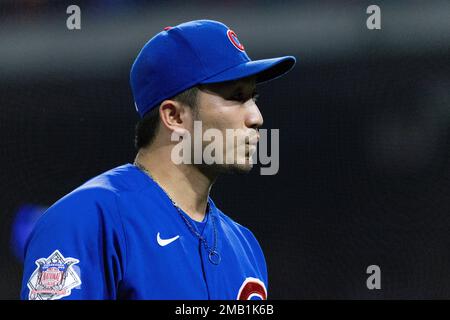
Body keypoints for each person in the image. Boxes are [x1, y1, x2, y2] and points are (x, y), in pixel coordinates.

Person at [21, 19, 296, 300]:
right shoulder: (87, 219)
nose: (256, 117)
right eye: (236, 97)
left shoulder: (244, 247)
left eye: (253, 97)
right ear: (174, 116)